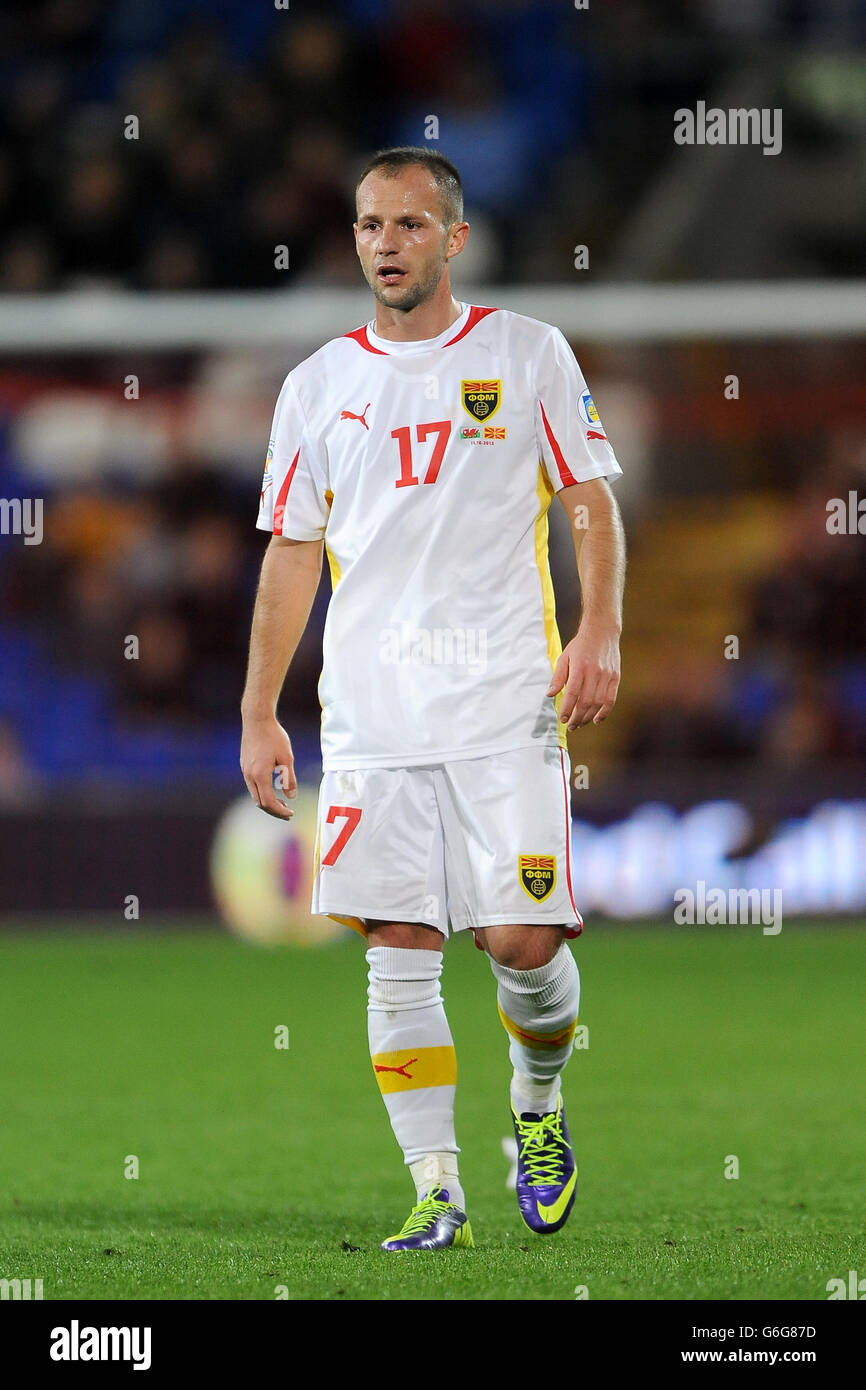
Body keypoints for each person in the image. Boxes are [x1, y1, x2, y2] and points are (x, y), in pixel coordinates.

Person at [240, 147, 625, 1252]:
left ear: (452, 239)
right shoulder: (315, 383)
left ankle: (538, 1108)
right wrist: (259, 706)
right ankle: (436, 1190)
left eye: (409, 225)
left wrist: (598, 626)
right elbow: (290, 556)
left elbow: (588, 500)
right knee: (397, 940)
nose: (385, 244)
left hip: (504, 704)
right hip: (369, 717)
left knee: (518, 943)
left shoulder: (525, 352)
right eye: (368, 226)